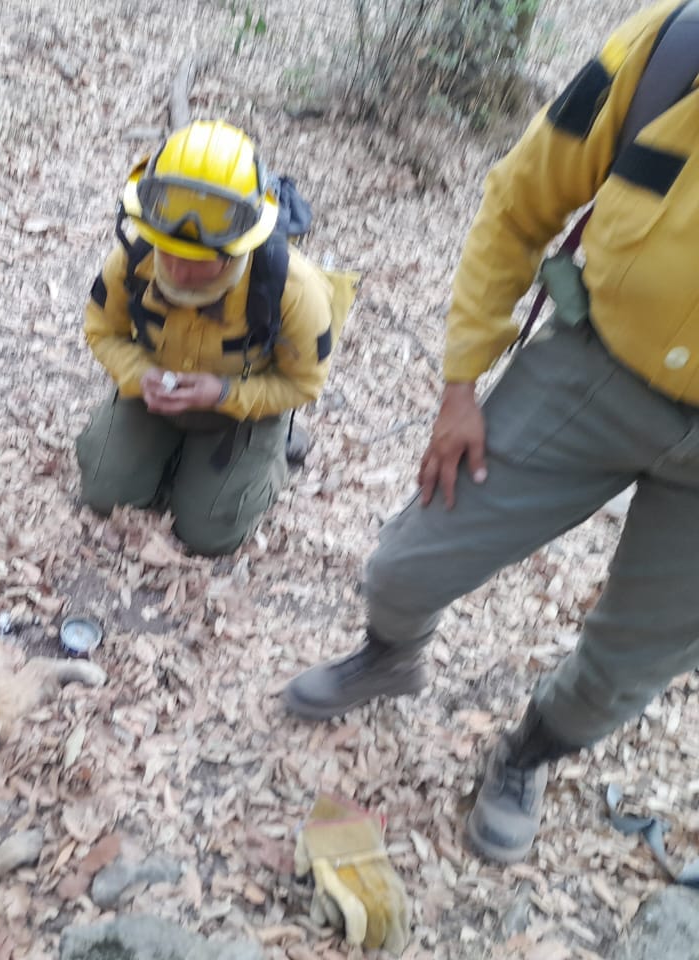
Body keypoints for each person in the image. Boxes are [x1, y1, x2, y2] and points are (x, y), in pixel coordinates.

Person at [285, 0, 699, 865]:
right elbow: (518, 202)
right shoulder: (663, 52)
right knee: (407, 563)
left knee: (632, 661)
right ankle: (390, 656)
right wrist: (462, 383)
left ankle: (529, 755)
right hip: (595, 370)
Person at [76, 120, 355, 555]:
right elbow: (101, 329)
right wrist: (140, 375)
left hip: (240, 410)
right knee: (103, 493)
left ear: (240, 245)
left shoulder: (291, 288)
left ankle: (274, 456)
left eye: (201, 260)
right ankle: (174, 459)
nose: (180, 271)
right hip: (154, 396)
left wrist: (222, 394)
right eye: (169, 251)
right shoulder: (134, 257)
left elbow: (303, 383)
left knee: (210, 534)